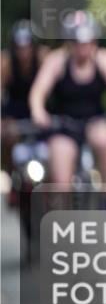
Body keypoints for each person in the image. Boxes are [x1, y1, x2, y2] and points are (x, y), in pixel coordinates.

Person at [28, 11, 106, 192]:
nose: (83, 48)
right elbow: (38, 92)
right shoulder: (57, 61)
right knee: (61, 181)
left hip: (95, 120)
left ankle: (104, 193)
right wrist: (38, 112)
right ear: (69, 43)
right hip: (63, 125)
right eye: (77, 43)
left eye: (88, 42)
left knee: (104, 139)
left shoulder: (104, 59)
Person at [1, 20, 49, 182]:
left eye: (27, 46)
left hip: (42, 113)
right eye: (20, 47)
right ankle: (12, 176)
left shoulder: (44, 59)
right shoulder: (6, 63)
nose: (24, 51)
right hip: (15, 115)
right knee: (7, 138)